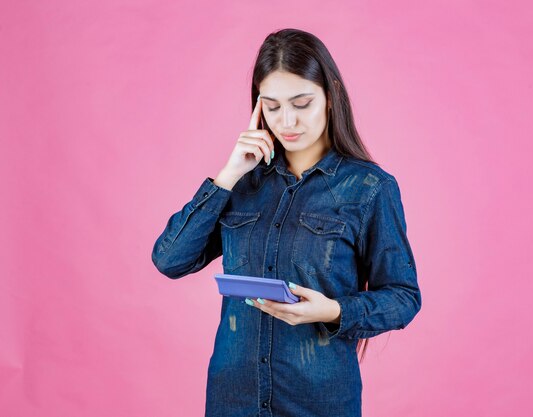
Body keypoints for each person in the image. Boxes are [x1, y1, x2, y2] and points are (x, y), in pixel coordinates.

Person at [151, 28, 421, 417]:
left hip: (319, 402)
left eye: (301, 102)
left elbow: (403, 297)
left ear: (332, 96)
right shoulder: (241, 183)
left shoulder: (369, 188)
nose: (287, 120)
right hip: (233, 400)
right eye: (272, 107)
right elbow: (170, 260)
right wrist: (226, 177)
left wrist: (333, 311)